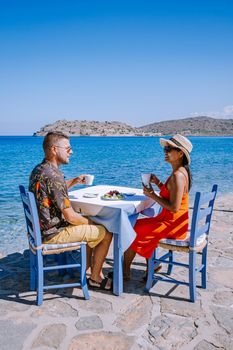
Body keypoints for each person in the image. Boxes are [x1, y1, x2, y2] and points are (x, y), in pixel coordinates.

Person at [29, 131, 113, 290]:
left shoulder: (40, 169)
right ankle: (95, 277)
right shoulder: (54, 176)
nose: (71, 152)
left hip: (40, 230)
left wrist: (74, 181)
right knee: (105, 232)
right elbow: (71, 217)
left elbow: (53, 190)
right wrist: (92, 222)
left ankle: (86, 266)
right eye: (68, 148)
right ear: (54, 149)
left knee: (90, 226)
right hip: (52, 233)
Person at [124, 134, 193, 279]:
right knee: (135, 225)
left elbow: (174, 207)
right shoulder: (180, 173)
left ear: (180, 153)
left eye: (169, 149)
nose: (165, 152)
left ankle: (124, 272)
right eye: (165, 149)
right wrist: (158, 183)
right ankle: (151, 265)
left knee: (132, 229)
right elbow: (172, 195)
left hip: (172, 225)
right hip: (175, 222)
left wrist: (152, 195)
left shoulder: (177, 176)